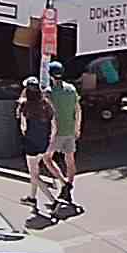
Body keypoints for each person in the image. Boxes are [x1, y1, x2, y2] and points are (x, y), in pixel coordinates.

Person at [49, 65, 87, 215]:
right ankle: (68, 186)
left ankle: (64, 183)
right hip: (70, 129)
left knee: (47, 158)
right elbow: (78, 110)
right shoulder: (71, 89)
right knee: (70, 160)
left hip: (56, 132)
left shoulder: (49, 92)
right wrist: (77, 127)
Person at [17, 73, 58, 214]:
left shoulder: (25, 106)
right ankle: (32, 198)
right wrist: (50, 139)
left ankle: (53, 201)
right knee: (35, 172)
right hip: (44, 142)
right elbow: (54, 125)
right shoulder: (46, 104)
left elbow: (23, 127)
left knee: (34, 175)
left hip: (31, 143)